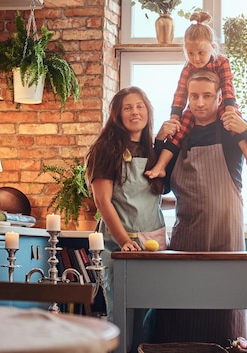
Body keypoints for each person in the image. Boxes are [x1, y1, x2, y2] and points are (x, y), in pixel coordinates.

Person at [149, 69, 247, 346]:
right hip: (186, 240)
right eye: (194, 96)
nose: (199, 103)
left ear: (220, 97)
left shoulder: (232, 130)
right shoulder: (180, 135)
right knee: (180, 320)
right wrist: (159, 141)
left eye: (207, 96)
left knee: (224, 323)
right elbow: (160, 187)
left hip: (226, 243)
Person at [145, 11, 247, 180]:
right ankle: (161, 165)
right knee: (177, 133)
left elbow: (227, 86)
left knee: (233, 123)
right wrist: (175, 119)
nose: (196, 58)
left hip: (224, 104)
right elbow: (180, 93)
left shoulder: (221, 62)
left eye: (201, 53)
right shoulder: (188, 68)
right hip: (189, 203)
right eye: (191, 53)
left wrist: (230, 112)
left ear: (213, 48)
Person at [85, 86, 170, 321]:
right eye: (128, 108)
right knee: (121, 315)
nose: (135, 112)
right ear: (118, 114)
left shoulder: (153, 151)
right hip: (121, 245)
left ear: (148, 112)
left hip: (154, 244)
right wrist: (124, 241)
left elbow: (152, 196)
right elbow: (102, 201)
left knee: (149, 317)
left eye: (140, 106)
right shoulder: (105, 150)